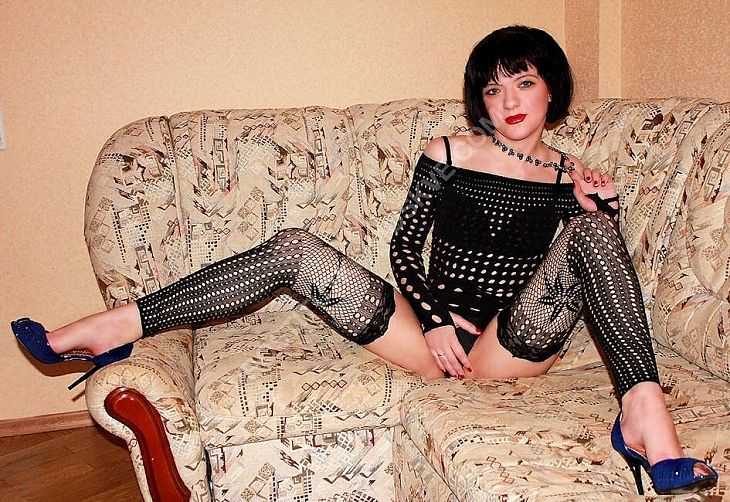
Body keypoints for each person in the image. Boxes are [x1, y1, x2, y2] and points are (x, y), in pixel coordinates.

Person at [12, 25, 717, 495]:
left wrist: (602, 206)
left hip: (511, 344)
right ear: (479, 98)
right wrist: (433, 320)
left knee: (592, 233)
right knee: (295, 249)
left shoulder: (569, 175)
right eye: (493, 87)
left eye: (523, 82)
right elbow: (405, 247)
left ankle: (644, 415)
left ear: (551, 88)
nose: (508, 100)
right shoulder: (448, 152)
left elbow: (588, 272)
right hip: (429, 330)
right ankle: (120, 324)